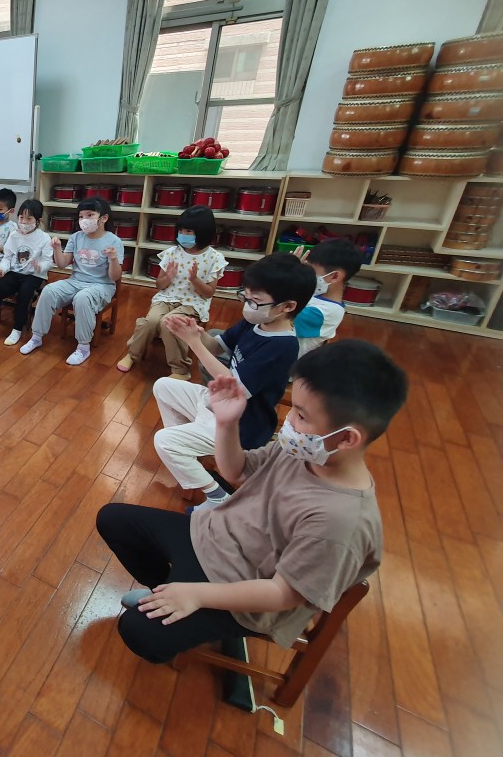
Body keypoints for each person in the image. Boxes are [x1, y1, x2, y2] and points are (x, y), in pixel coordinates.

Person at [94, 340, 407, 665]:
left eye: (301, 415)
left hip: (248, 593)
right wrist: (226, 423)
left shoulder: (342, 521)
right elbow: (237, 471)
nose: (289, 421)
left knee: (137, 631)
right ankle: (165, 592)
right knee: (113, 519)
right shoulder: (302, 450)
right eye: (293, 408)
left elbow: (284, 593)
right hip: (213, 535)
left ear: (347, 438)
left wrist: (198, 595)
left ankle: (176, 599)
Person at [154, 253, 315, 511]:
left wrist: (193, 343)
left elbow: (233, 390)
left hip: (240, 428)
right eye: (246, 297)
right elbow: (217, 347)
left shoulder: (282, 346)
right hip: (218, 406)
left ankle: (217, 495)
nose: (248, 305)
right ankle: (187, 450)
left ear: (287, 306)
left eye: (256, 301)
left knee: (164, 440)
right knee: (163, 386)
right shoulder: (257, 322)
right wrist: (196, 334)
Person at [117, 206, 226, 379]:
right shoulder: (171, 253)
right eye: (181, 230)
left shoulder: (215, 258)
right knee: (150, 321)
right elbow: (159, 285)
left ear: (203, 232)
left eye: (188, 231)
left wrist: (195, 280)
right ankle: (133, 354)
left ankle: (180, 370)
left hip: (193, 303)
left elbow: (208, 293)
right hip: (166, 298)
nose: (183, 234)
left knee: (168, 323)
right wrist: (168, 276)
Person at [18, 197, 123, 366]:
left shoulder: (114, 241)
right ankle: (36, 337)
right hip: (75, 281)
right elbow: (62, 264)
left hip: (102, 285)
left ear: (104, 218)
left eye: (90, 215)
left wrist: (113, 259)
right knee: (49, 291)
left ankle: (83, 347)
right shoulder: (76, 237)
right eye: (81, 216)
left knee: (82, 298)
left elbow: (114, 277)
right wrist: (57, 249)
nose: (84, 220)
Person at [0, 199, 52, 345]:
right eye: (21, 217)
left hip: (34, 275)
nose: (24, 222)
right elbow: (7, 257)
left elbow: (48, 261)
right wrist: (1, 269)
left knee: (25, 293)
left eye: (29, 218)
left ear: (38, 220)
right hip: (15, 272)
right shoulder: (14, 235)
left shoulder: (44, 238)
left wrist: (40, 266)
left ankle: (17, 329)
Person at [295, 239, 362, 357]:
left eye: (311, 272)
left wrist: (285, 276)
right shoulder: (314, 293)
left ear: (335, 276)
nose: (307, 275)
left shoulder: (326, 311)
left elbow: (276, 316)